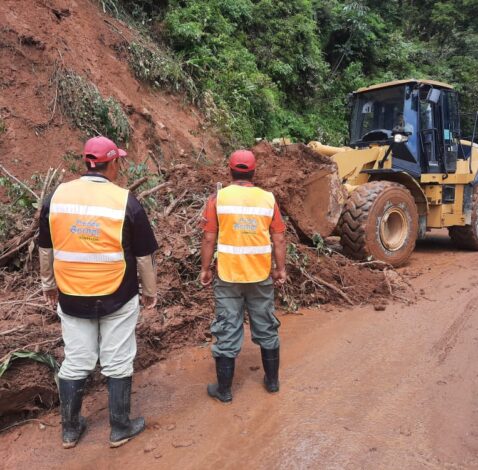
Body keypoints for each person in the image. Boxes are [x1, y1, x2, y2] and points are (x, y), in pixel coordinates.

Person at [38, 136, 158, 449]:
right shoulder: (125, 201)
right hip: (117, 293)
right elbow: (144, 255)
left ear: (86, 162)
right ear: (112, 163)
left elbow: (45, 247)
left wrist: (48, 284)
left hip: (71, 293)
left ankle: (70, 429)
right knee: (118, 360)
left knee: (77, 360)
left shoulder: (58, 196)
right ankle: (120, 427)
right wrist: (149, 291)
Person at [200, 149, 287, 403]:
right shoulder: (268, 199)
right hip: (260, 275)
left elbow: (208, 237)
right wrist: (281, 269)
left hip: (228, 276)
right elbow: (279, 237)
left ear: (229, 171)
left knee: (227, 328)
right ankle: (272, 382)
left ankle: (224, 391)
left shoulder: (218, 198)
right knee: (266, 325)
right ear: (253, 172)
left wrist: (205, 269)